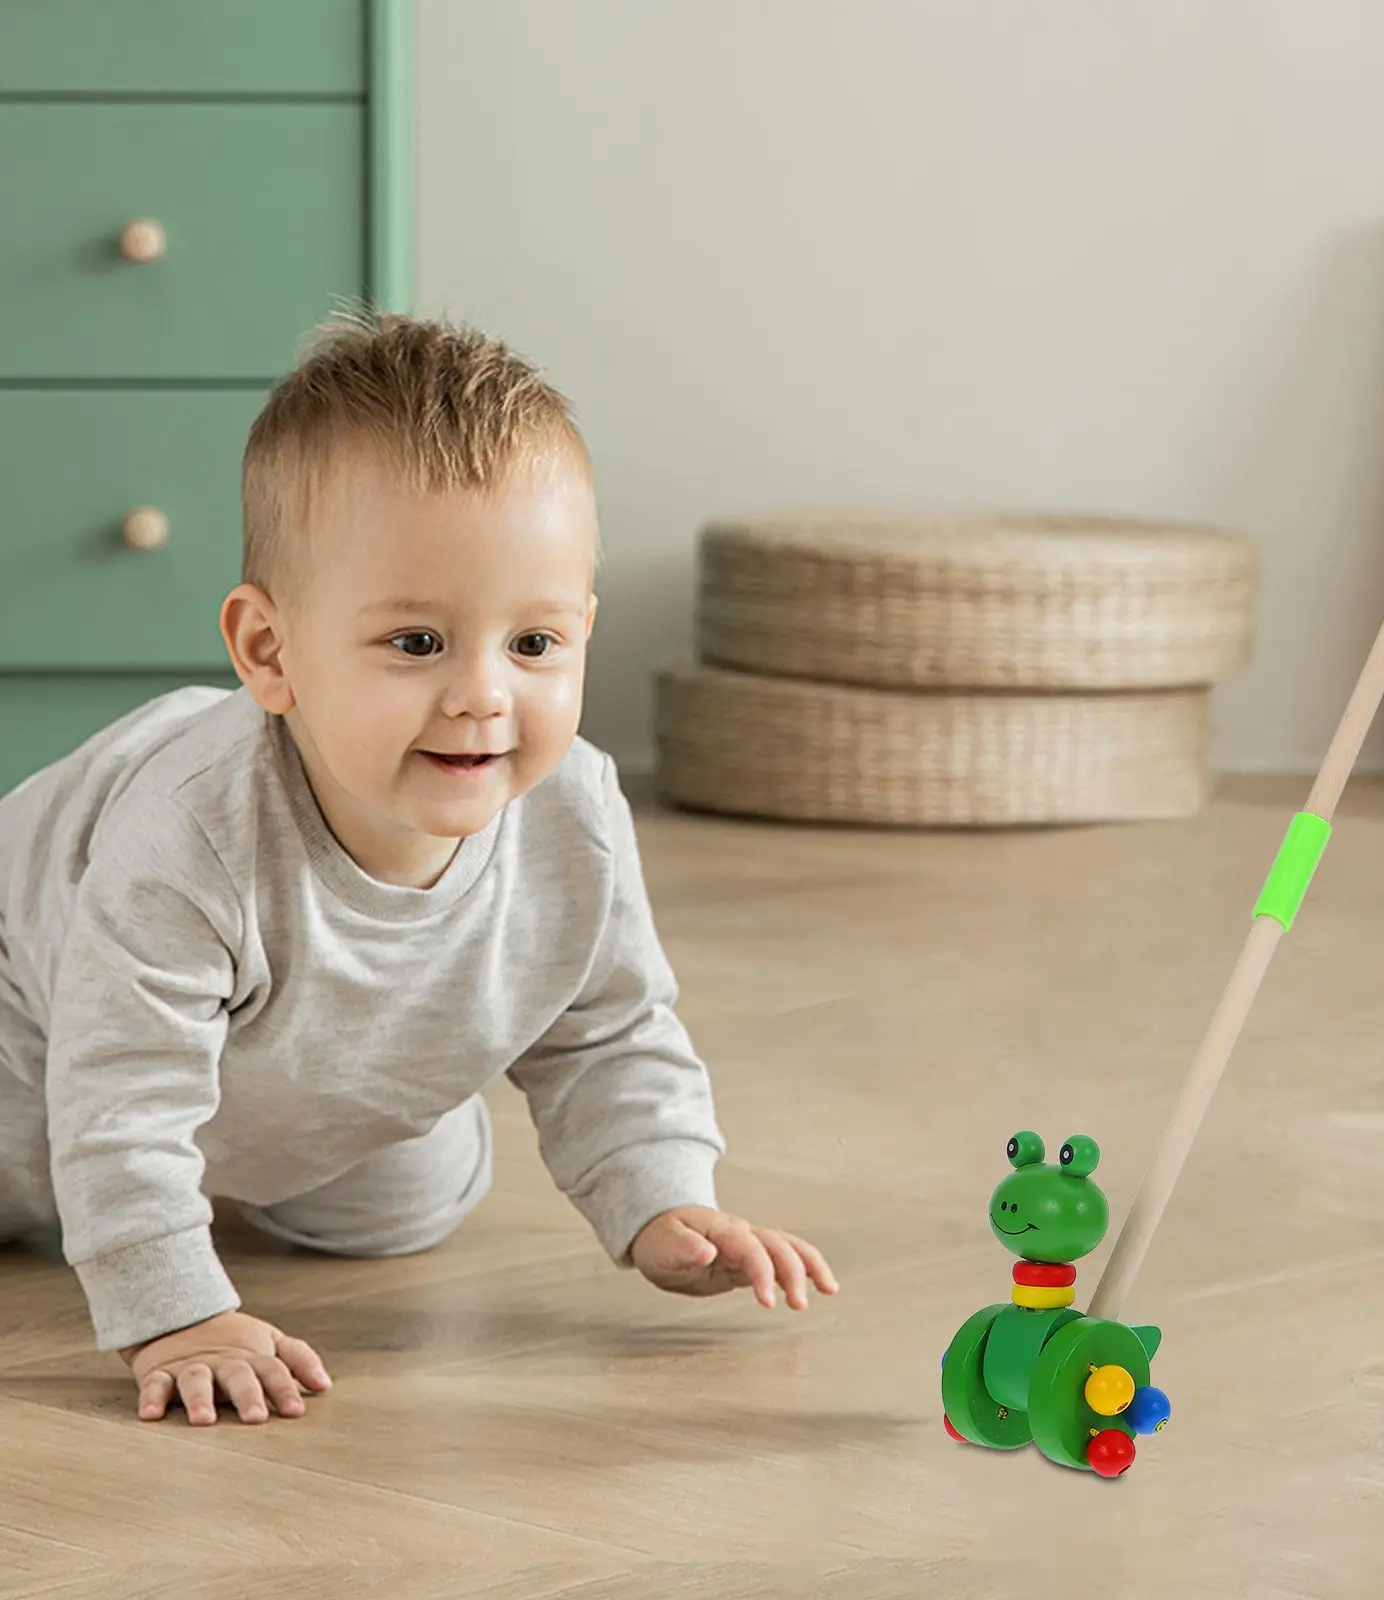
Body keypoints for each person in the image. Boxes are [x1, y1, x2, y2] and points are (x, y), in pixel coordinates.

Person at [0, 312, 837, 1427]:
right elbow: (119, 1095)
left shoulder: (574, 810)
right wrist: (173, 1312)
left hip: (293, 1056)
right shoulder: (188, 834)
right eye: (416, 642)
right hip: (39, 1022)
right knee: (51, 1170)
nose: (483, 694)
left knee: (406, 1205)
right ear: (269, 652)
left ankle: (325, 1095)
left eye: (533, 644)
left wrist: (663, 1203)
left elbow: (610, 1030)